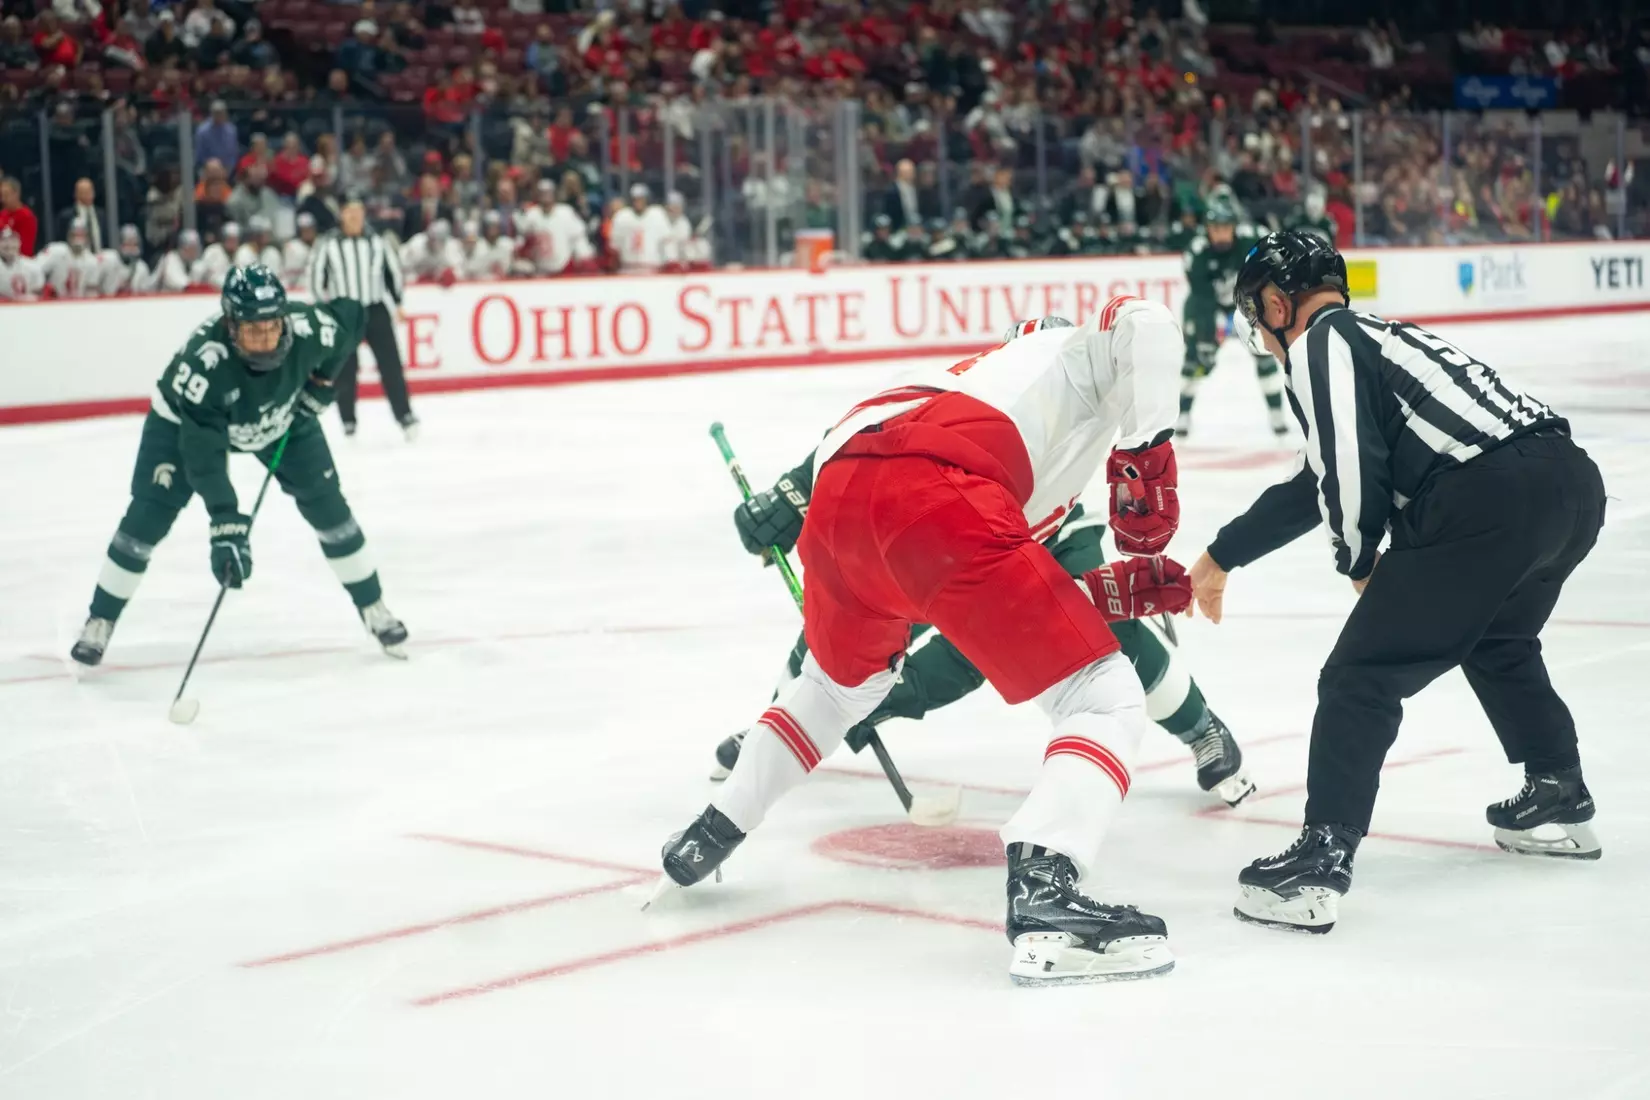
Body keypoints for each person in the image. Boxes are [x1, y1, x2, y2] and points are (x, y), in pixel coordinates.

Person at [654, 296, 1195, 986]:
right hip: (938, 493)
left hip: (842, 490)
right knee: (1104, 697)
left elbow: (985, 592)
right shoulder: (1071, 357)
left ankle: (707, 834)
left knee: (831, 690)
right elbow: (1147, 322)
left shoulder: (970, 383)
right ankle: (1046, 893)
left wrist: (1108, 593)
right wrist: (1148, 448)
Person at [1186, 231, 1608, 934]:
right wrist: (1222, 555)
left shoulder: (1321, 342)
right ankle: (1557, 788)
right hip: (1570, 486)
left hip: (1486, 497)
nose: (1259, 332)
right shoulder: (1376, 338)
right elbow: (1318, 478)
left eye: (1257, 315)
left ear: (1278, 305)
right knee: (1500, 641)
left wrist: (1358, 562)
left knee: (1361, 675)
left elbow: (1351, 469)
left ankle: (1320, 861)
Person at [712, 317, 1255, 805]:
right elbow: (888, 424)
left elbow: (976, 650)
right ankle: (782, 726)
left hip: (1048, 529)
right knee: (859, 597)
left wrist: (892, 694)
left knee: (1094, 632)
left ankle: (1200, 726)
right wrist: (794, 492)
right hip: (952, 513)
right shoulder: (986, 384)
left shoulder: (1068, 399)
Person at [69, 265, 410, 667]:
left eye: (271, 327)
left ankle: (373, 607)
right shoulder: (204, 366)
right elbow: (205, 458)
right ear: (231, 326)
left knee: (331, 510)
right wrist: (226, 521)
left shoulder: (309, 328)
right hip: (184, 422)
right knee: (147, 517)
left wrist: (321, 381)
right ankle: (101, 618)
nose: (265, 341)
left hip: (280, 418)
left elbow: (354, 316)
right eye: (252, 330)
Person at [1175, 196, 1288, 438]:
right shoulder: (1197, 253)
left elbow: (1274, 265)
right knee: (1196, 360)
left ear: (1235, 227)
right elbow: (1201, 297)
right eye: (1215, 228)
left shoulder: (1252, 240)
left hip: (1248, 304)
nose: (1220, 234)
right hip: (1208, 306)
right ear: (1207, 229)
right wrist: (1207, 334)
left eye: (1225, 227)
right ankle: (1182, 413)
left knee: (1263, 353)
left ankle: (1276, 413)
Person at [307, 196, 417, 439]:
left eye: (359, 211)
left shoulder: (377, 241)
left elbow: (392, 273)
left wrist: (398, 303)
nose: (355, 216)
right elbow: (316, 277)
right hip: (344, 312)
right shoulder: (328, 244)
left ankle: (405, 415)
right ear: (342, 214)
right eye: (350, 211)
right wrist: (323, 308)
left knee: (391, 364)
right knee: (345, 368)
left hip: (375, 308)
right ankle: (348, 419)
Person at [608, 183, 671, 272]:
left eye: (641, 199)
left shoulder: (657, 215)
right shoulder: (622, 216)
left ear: (646, 199)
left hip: (653, 267)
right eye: (635, 199)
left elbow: (667, 242)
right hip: (628, 267)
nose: (638, 202)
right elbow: (615, 245)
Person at [41, 218, 104, 297]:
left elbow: (91, 294)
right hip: (55, 301)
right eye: (75, 234)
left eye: (81, 235)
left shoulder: (91, 261)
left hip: (79, 302)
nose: (78, 239)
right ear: (69, 234)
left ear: (87, 237)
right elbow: (37, 269)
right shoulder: (57, 251)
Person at [400, 217, 461, 282]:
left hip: (439, 284)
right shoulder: (415, 245)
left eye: (435, 240)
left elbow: (459, 270)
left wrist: (447, 274)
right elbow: (404, 270)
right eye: (430, 238)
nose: (432, 242)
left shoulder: (451, 247)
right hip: (416, 282)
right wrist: (417, 278)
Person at [101, 224, 154, 294]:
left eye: (135, 244)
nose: (131, 249)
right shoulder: (109, 259)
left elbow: (145, 294)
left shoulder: (142, 268)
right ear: (121, 245)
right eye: (128, 244)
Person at [57, 177, 107, 252]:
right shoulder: (66, 216)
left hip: (99, 256)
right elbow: (61, 241)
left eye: (90, 191)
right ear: (76, 194)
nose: (88, 195)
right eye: (84, 192)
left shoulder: (101, 214)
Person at [0, 225, 44, 300]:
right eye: (4, 240)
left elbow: (39, 295)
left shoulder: (32, 267)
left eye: (13, 240)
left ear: (20, 242)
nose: (9, 244)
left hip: (25, 306)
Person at [0, 175, 38, 256]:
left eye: (6, 195)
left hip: (20, 260)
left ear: (16, 194)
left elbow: (26, 250)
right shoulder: (2, 215)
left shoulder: (26, 216)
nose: (3, 199)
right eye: (1, 195)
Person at [282, 211, 318, 290]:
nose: (308, 232)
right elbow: (289, 276)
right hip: (298, 290)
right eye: (304, 229)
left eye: (310, 228)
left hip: (316, 289)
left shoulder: (320, 245)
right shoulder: (293, 247)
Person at [200, 221, 241, 288]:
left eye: (234, 240)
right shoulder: (212, 251)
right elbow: (210, 277)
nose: (232, 242)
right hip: (211, 291)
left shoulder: (241, 253)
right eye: (229, 239)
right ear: (223, 239)